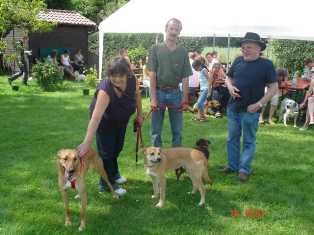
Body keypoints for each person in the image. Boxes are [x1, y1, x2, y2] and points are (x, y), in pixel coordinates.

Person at [77, 57, 143, 196]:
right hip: (104, 122)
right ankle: (106, 184)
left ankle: (115, 173)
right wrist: (86, 143)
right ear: (109, 75)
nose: (117, 80)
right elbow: (95, 118)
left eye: (121, 76)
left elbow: (137, 95)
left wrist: (140, 115)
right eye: (113, 76)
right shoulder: (105, 90)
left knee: (117, 148)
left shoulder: (132, 80)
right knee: (107, 153)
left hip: (121, 120)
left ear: (127, 74)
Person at [223, 32, 278, 182]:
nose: (244, 50)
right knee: (232, 138)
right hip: (233, 107)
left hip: (251, 110)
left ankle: (244, 169)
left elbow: (274, 87)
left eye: (248, 47)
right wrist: (229, 87)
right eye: (243, 47)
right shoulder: (238, 60)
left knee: (248, 141)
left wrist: (259, 104)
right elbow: (228, 77)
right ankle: (233, 165)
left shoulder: (266, 65)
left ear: (258, 48)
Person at [147, 18, 192, 147]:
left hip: (175, 93)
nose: (173, 32)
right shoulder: (155, 48)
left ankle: (177, 162)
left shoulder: (183, 51)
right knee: (156, 131)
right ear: (166, 29)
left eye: (176, 29)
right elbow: (152, 74)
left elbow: (185, 77)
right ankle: (156, 160)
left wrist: (185, 99)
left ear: (179, 32)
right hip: (159, 92)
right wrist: (153, 98)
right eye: (171, 28)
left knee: (177, 130)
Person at [192, 57, 210, 121]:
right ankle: (201, 117)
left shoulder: (204, 70)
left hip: (206, 89)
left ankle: (203, 117)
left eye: (195, 68)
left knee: (199, 103)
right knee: (200, 103)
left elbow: (209, 80)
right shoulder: (200, 71)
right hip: (202, 89)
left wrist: (209, 91)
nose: (195, 70)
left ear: (199, 66)